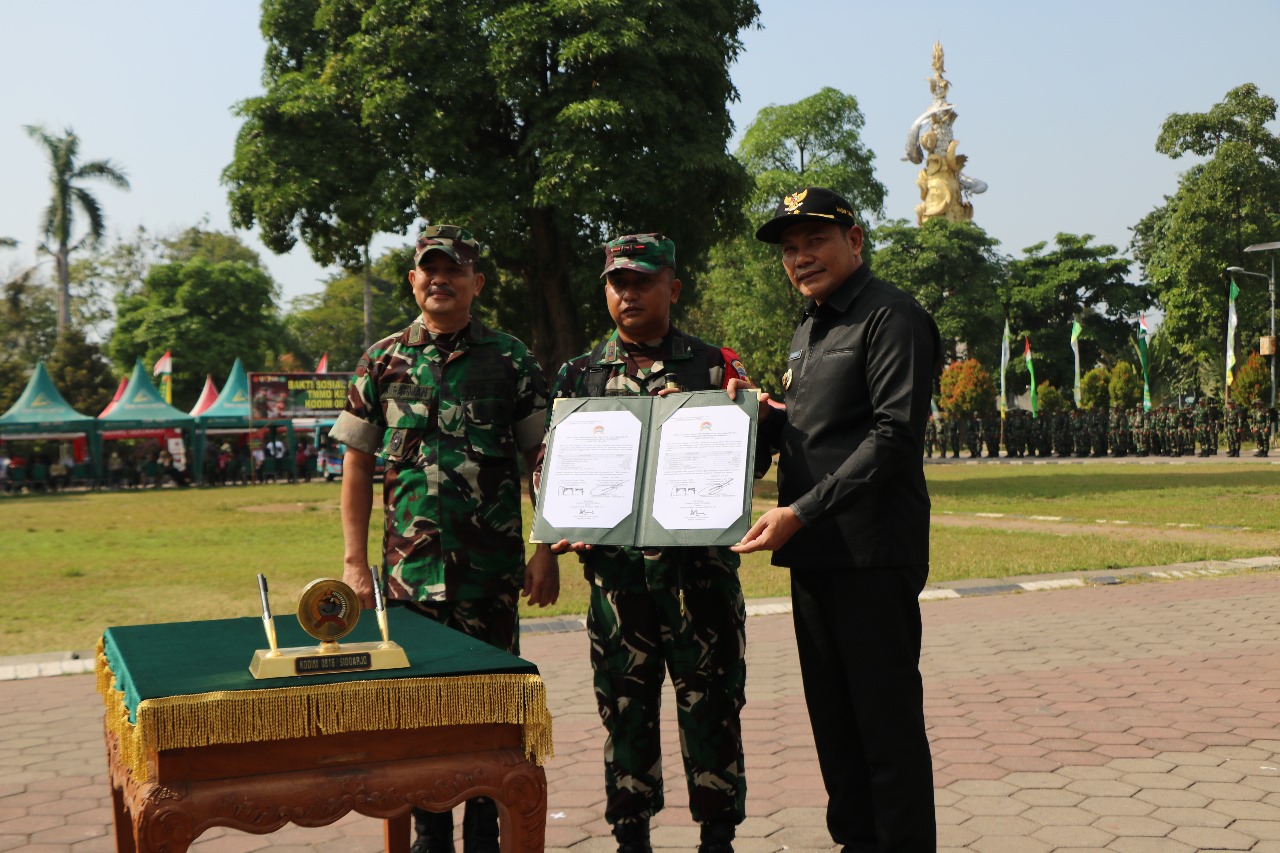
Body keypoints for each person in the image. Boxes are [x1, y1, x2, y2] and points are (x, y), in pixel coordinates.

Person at [331, 224, 558, 853]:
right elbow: (356, 463)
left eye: (454, 270)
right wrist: (354, 564)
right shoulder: (382, 360)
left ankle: (484, 837)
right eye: (429, 269)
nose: (440, 279)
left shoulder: (510, 359)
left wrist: (545, 549)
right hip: (407, 584)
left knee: (491, 720)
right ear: (412, 280)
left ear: (476, 283)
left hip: (489, 577)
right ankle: (431, 837)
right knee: (420, 722)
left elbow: (541, 456)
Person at [734, 187, 942, 852]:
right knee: (836, 731)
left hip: (872, 556)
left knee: (886, 734)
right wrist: (758, 419)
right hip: (816, 557)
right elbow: (816, 430)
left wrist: (801, 509)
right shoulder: (810, 327)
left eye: (815, 240)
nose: (801, 257)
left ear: (854, 239)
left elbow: (892, 436)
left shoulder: (891, 316)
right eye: (789, 249)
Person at [541, 234, 753, 853]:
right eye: (618, 283)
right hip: (617, 584)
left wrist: (745, 417)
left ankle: (719, 834)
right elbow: (551, 465)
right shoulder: (578, 374)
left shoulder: (715, 366)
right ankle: (630, 834)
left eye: (642, 281)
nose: (628, 293)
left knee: (712, 707)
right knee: (625, 713)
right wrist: (562, 517)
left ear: (673, 288)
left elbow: (754, 458)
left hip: (701, 583)